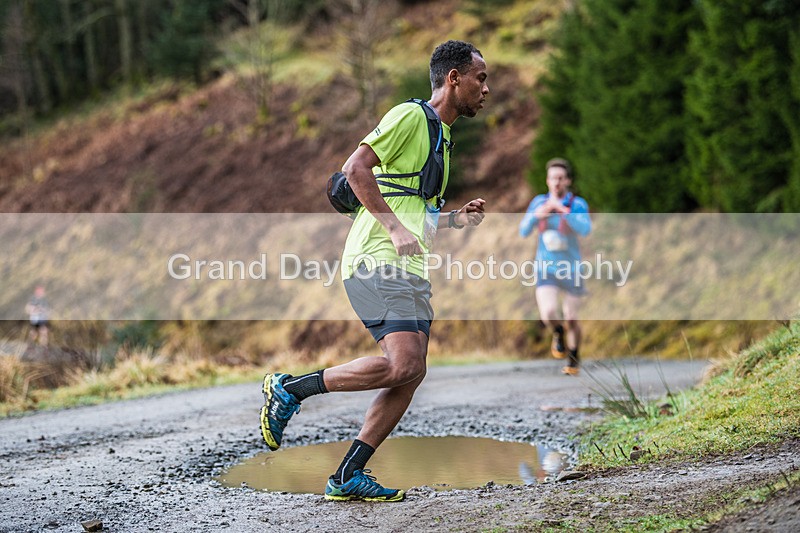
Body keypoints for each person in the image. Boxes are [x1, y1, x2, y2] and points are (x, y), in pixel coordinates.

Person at [260, 40, 489, 502]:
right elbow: (356, 167)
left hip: (408, 266)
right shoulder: (410, 116)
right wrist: (392, 228)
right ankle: (289, 389)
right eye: (481, 78)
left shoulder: (444, 137)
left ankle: (347, 475)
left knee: (411, 371)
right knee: (403, 363)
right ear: (454, 78)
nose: (487, 89)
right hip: (376, 259)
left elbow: (412, 208)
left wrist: (453, 219)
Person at [519, 158, 591, 375]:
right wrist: (537, 215)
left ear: (567, 180)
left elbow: (585, 229)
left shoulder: (577, 204)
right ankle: (558, 333)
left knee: (571, 316)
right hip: (546, 268)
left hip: (572, 269)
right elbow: (523, 230)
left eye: (561, 178)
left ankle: (574, 356)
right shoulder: (538, 202)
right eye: (553, 178)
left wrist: (561, 210)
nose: (557, 182)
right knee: (548, 312)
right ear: (547, 181)